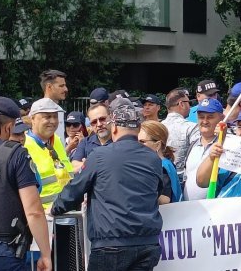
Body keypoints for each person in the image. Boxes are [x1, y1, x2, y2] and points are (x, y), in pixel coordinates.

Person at [51, 99, 166, 271]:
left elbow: (75, 190)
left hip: (111, 243)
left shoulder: (99, 155)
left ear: (114, 128)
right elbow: (155, 193)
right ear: (138, 128)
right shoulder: (153, 158)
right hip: (147, 243)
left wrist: (55, 208)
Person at [0, 97, 52, 271]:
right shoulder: (15, 154)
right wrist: (46, 254)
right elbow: (34, 211)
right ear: (9, 127)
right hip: (2, 252)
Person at [23, 98, 73, 211]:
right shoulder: (24, 145)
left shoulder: (57, 140)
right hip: (43, 215)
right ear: (33, 119)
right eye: (47, 117)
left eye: (55, 117)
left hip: (66, 211)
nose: (53, 121)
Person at [183, 98, 225, 201]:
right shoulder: (193, 144)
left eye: (210, 117)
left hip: (215, 208)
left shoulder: (227, 145)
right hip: (187, 207)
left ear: (221, 118)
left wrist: (223, 139)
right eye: (201, 117)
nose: (205, 121)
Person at [139, 120, 182, 203]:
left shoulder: (162, 167)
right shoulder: (165, 163)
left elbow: (165, 199)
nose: (137, 145)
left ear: (158, 145)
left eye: (142, 141)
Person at [162, 88, 199, 182]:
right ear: (181, 104)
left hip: (162, 177)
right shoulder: (192, 127)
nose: (190, 106)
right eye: (188, 103)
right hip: (183, 179)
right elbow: (197, 156)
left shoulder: (158, 127)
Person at [70, 102, 112, 170]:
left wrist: (87, 163)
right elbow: (74, 167)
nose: (99, 124)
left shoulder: (120, 141)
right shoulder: (85, 142)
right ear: (90, 125)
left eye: (102, 119)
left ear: (111, 117)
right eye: (94, 122)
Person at [39, 69, 68, 141]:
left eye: (65, 85)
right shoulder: (39, 109)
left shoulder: (59, 109)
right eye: (61, 86)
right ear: (49, 87)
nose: (66, 89)